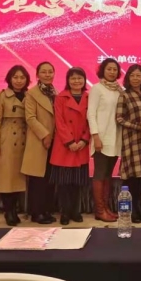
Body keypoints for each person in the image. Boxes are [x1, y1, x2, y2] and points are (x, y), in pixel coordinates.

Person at [0, 65, 30, 226]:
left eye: (22, 77)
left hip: (25, 138)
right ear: (9, 79)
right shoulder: (2, 95)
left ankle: (15, 210)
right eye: (15, 77)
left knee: (18, 178)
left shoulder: (30, 95)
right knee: (6, 177)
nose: (19, 81)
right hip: (7, 140)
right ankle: (8, 211)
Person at [116, 64, 141, 223]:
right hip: (132, 140)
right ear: (128, 78)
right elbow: (120, 119)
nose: (135, 78)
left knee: (139, 178)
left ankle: (140, 211)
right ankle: (130, 212)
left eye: (138, 75)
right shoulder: (124, 95)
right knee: (131, 178)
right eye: (132, 75)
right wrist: (139, 126)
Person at [49, 67, 90, 225]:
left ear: (84, 80)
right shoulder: (61, 97)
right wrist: (70, 142)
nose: (76, 81)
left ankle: (75, 211)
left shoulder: (89, 97)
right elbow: (59, 122)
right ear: (68, 80)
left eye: (80, 78)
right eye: (73, 78)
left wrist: (84, 140)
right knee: (64, 183)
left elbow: (91, 120)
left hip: (81, 146)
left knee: (77, 183)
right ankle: (65, 212)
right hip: (64, 146)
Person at [21, 61, 57, 224]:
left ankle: (46, 210)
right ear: (37, 75)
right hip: (39, 140)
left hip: (54, 141)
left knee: (49, 178)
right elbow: (30, 118)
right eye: (44, 72)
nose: (47, 75)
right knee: (37, 179)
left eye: (50, 72)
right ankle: (36, 212)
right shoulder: (31, 93)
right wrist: (45, 135)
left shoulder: (55, 92)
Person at [87, 58, 123, 222]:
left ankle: (106, 208)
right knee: (100, 174)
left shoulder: (119, 90)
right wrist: (95, 136)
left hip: (115, 138)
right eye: (109, 69)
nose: (112, 72)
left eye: (115, 69)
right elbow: (91, 114)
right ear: (103, 70)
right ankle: (99, 210)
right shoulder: (97, 88)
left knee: (108, 174)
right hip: (101, 137)